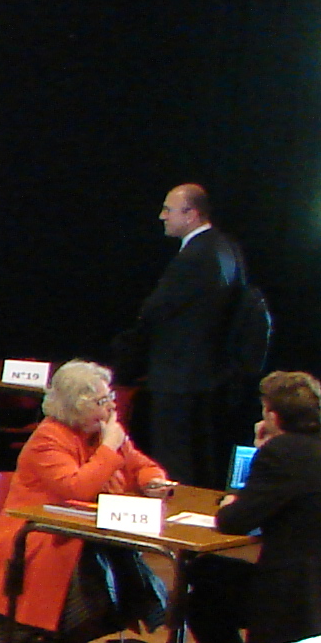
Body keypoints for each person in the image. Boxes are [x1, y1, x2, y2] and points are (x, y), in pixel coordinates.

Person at [0, 359, 174, 643]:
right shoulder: (48, 439)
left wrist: (152, 481)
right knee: (89, 584)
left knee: (120, 571)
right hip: (38, 540)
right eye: (101, 401)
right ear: (75, 405)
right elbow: (78, 487)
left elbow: (141, 465)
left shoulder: (101, 432)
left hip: (83, 536)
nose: (111, 407)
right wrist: (109, 447)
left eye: (110, 398)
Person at [187, 371, 321, 643]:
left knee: (202, 602)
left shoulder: (280, 452)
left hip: (299, 596)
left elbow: (233, 521)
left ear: (272, 416)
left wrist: (256, 461)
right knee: (207, 569)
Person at [123, 182, 252, 488]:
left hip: (179, 377)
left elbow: (156, 309)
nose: (162, 216)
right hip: (210, 377)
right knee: (200, 459)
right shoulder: (227, 247)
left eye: (168, 210)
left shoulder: (195, 256)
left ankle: (176, 515)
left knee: (175, 462)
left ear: (191, 214)